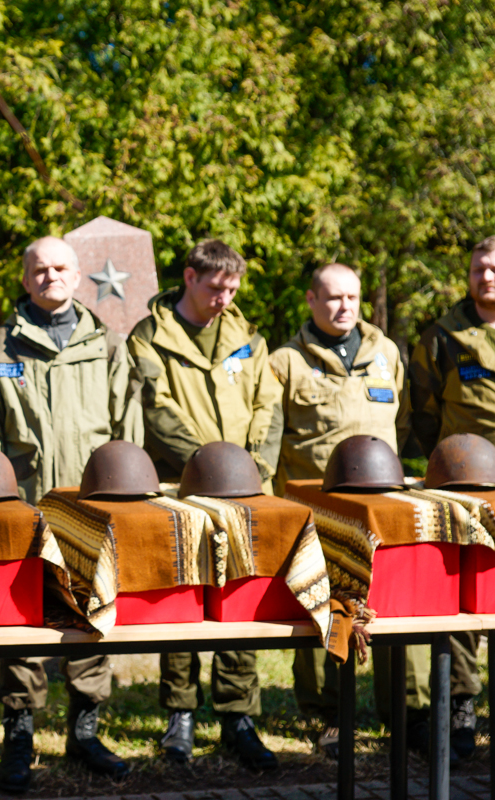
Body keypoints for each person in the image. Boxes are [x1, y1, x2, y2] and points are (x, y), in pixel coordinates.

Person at [0, 236, 142, 791]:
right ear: (25, 279)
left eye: (60, 267)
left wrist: (122, 502)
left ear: (78, 273)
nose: (50, 276)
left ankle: (85, 732)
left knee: (92, 613)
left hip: (91, 511)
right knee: (22, 624)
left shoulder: (107, 343)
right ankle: (18, 735)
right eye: (39, 270)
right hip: (21, 510)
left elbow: (126, 422)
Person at [128, 239, 283, 769]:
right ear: (190, 278)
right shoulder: (150, 336)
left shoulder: (247, 337)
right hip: (181, 486)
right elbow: (157, 407)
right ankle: (180, 714)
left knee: (241, 596)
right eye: (217, 287)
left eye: (233, 289)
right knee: (184, 600)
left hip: (245, 487)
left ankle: (238, 716)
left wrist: (252, 467)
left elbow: (267, 404)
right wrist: (206, 462)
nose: (225, 298)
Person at [270, 262, 429, 759]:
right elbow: (271, 439)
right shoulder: (285, 362)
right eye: (334, 298)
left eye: (353, 298)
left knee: (396, 607)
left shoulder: (386, 352)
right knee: (324, 609)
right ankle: (329, 716)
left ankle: (406, 715)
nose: (345, 307)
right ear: (312, 300)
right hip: (317, 511)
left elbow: (400, 422)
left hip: (382, 509)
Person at [406, 235, 495, 763]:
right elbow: (423, 412)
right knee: (465, 593)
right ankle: (462, 703)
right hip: (465, 487)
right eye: (479, 268)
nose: (487, 276)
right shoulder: (442, 337)